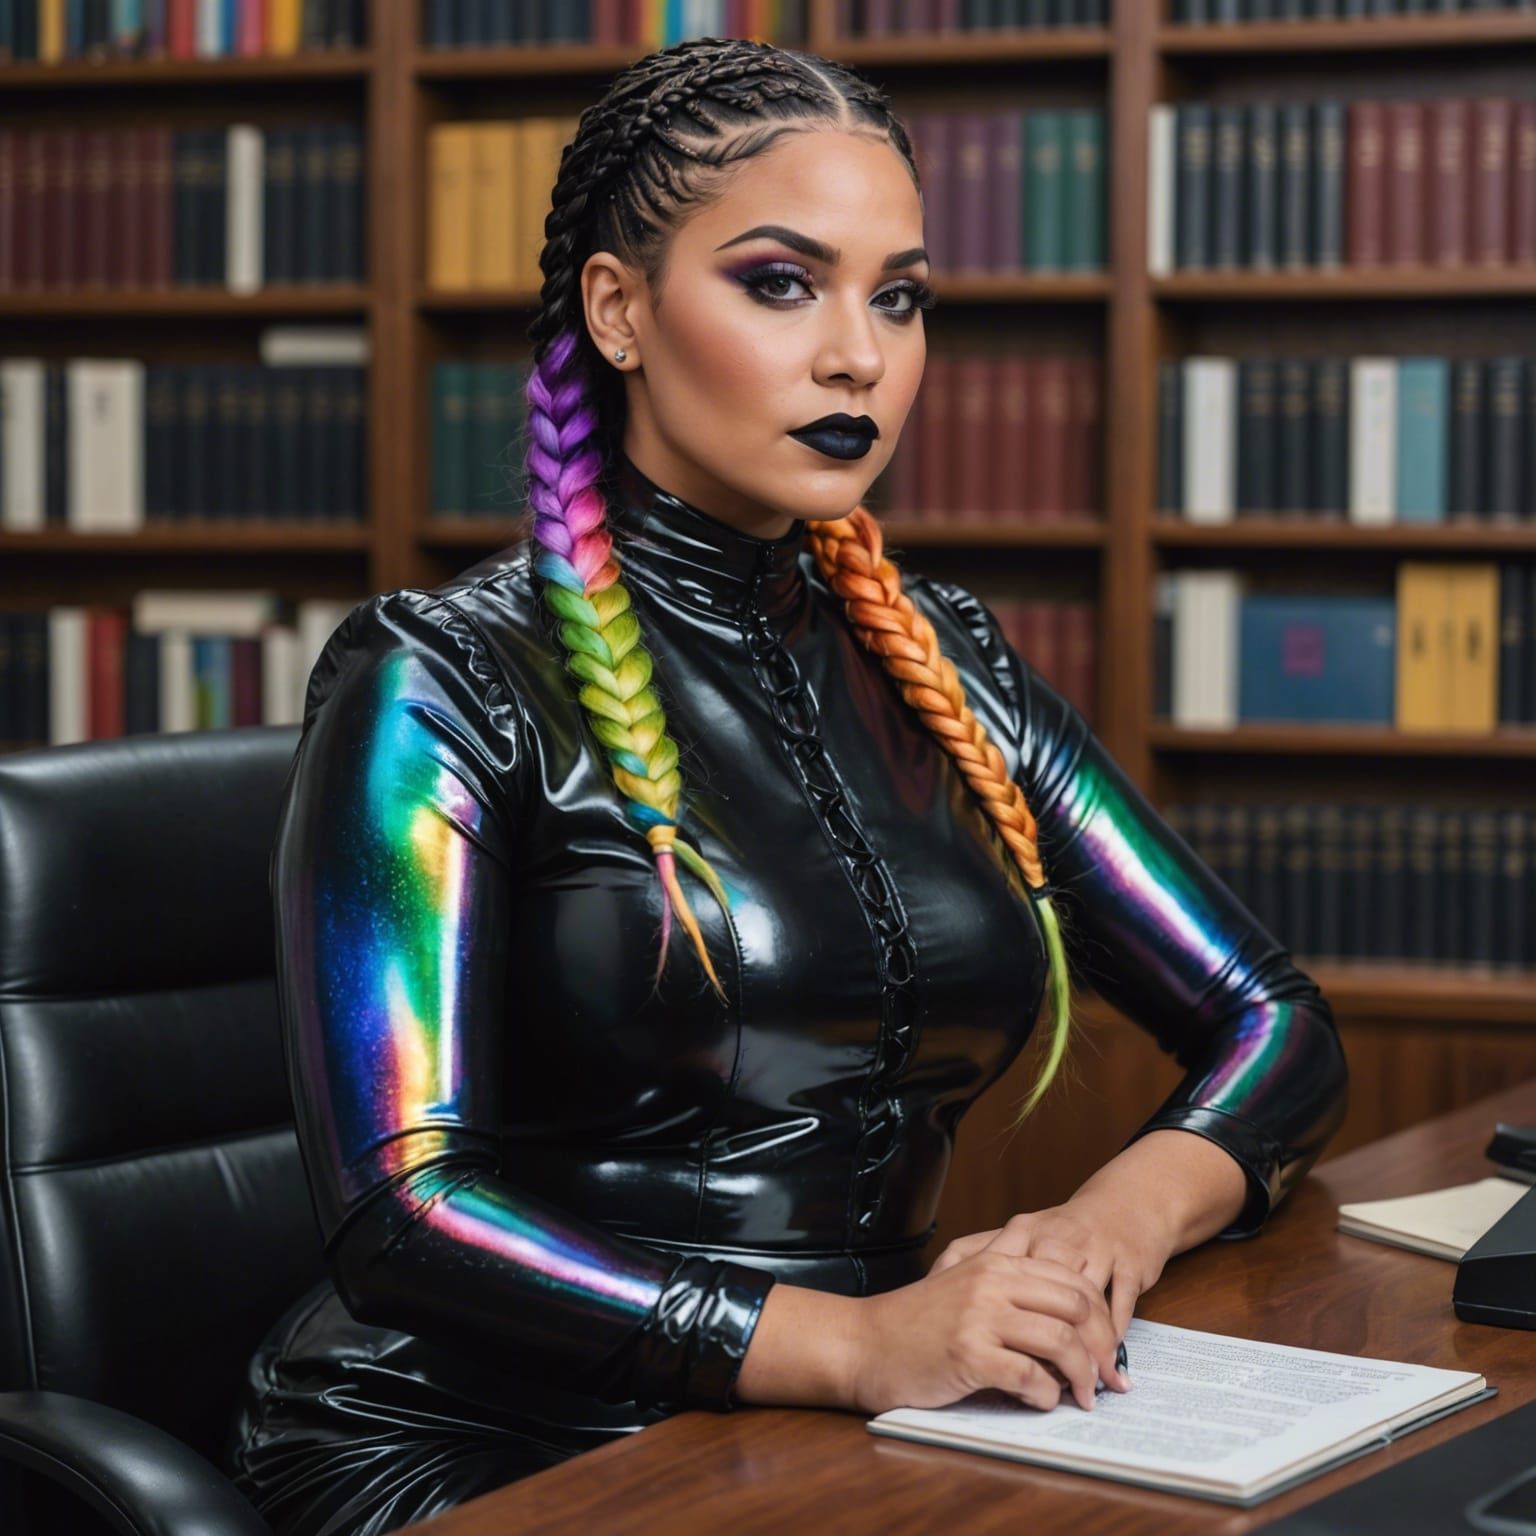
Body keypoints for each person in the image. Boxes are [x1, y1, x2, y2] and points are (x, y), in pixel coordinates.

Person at [222, 35, 1349, 1536]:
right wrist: (851, 1341)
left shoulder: (949, 664)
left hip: (843, 1428)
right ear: (619, 312)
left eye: (898, 296)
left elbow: (1274, 1022)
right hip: (473, 1445)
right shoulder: (438, 678)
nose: (859, 356)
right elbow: (400, 1218)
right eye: (779, 282)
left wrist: (1096, 1235)